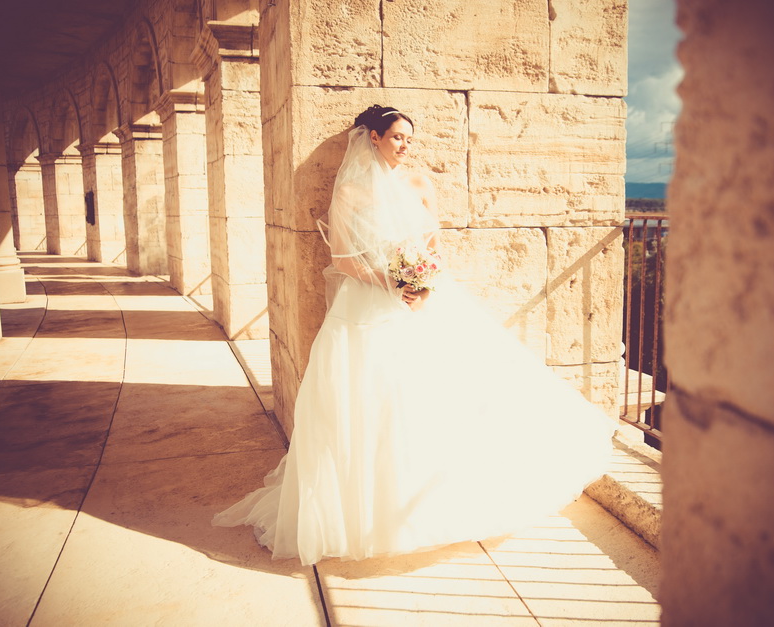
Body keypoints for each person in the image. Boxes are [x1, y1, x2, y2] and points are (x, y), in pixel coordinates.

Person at [213, 105, 616, 566]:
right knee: (370, 401)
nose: (405, 146)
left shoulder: (422, 184)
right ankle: (370, 513)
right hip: (368, 304)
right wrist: (393, 283)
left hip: (426, 300)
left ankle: (438, 501)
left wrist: (423, 285)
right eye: (398, 137)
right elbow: (344, 260)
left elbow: (434, 248)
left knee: (439, 396)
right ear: (374, 139)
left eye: (410, 138)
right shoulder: (349, 192)